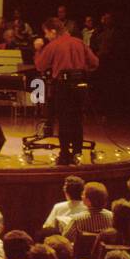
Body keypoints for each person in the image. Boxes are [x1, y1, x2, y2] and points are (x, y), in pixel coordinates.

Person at [34, 16, 100, 165]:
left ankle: (64, 154)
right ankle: (77, 153)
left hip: (63, 87)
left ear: (53, 31)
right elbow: (95, 62)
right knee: (77, 120)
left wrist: (38, 49)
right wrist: (82, 70)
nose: (45, 36)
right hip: (80, 87)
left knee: (64, 120)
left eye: (46, 33)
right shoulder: (79, 42)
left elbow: (40, 66)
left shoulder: (54, 45)